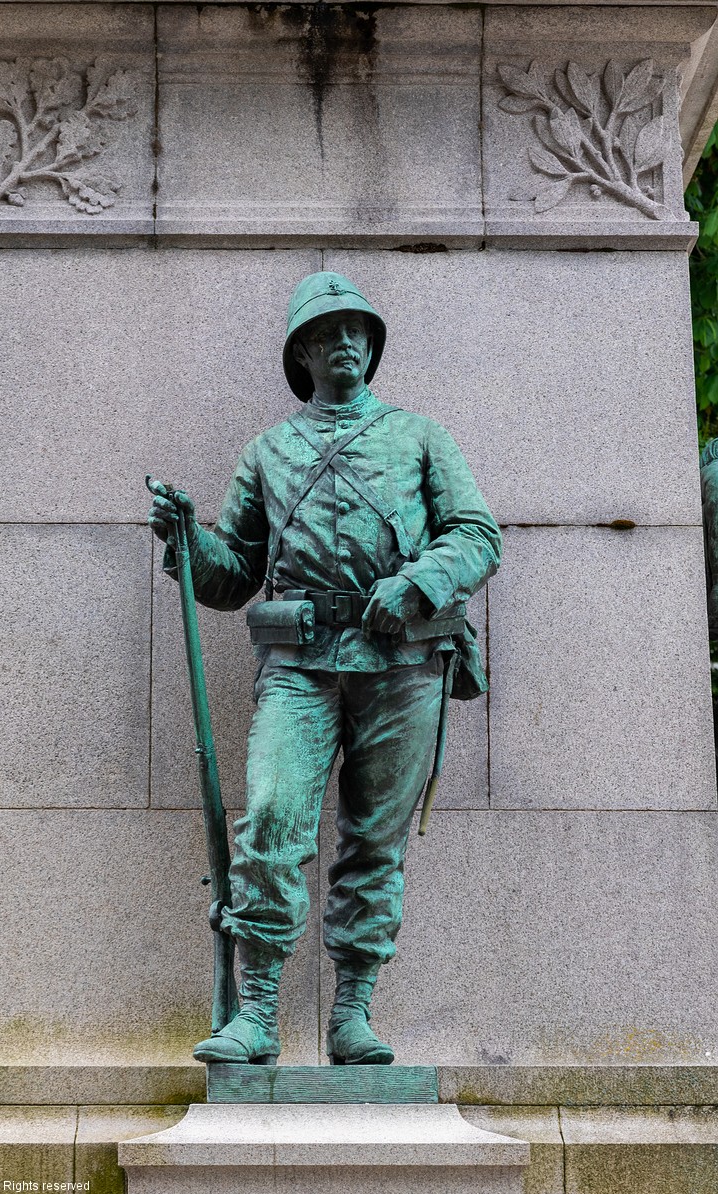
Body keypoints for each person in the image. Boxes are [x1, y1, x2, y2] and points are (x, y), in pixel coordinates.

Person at [148, 271, 502, 1066]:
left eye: (357, 330)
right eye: (327, 332)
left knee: (375, 844)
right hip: (299, 666)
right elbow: (233, 575)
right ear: (302, 354)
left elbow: (478, 534)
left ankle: (352, 1014)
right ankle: (257, 1013)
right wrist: (186, 538)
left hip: (403, 663)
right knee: (272, 818)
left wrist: (417, 583)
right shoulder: (268, 452)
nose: (345, 342)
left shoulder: (421, 437)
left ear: (372, 347)